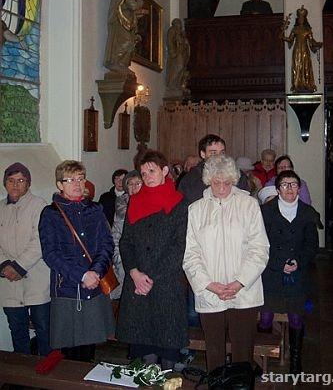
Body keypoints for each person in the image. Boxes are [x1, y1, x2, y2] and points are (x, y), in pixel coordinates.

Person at [183, 155, 269, 372]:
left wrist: (239, 282)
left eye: (226, 183)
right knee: (214, 354)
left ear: (233, 180)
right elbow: (190, 254)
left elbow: (259, 249)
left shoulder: (249, 205)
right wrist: (209, 284)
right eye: (216, 182)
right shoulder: (196, 210)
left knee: (242, 354)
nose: (221, 188)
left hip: (244, 292)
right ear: (208, 181)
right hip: (210, 291)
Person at [117, 150, 189, 370]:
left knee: (168, 350)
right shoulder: (135, 201)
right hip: (137, 284)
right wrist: (134, 272)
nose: (147, 176)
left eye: (152, 170)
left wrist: (150, 278)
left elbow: (179, 246)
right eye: (143, 172)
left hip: (166, 285)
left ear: (164, 171)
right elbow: (125, 242)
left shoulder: (179, 203)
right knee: (143, 349)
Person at [39, 160, 115, 362]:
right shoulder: (51, 213)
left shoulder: (95, 209)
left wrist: (96, 273)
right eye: (71, 179)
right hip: (67, 289)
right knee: (69, 353)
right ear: (59, 184)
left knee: (89, 349)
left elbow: (106, 245)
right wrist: (81, 275)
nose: (77, 183)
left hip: (93, 287)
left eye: (81, 179)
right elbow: (50, 253)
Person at [259, 170, 320, 374]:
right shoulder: (265, 211)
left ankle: (295, 359)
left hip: (298, 274)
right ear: (277, 190)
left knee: (296, 317)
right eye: (285, 185)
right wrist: (279, 262)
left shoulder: (307, 212)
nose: (290, 189)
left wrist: (298, 261)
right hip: (271, 273)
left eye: (294, 184)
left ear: (299, 188)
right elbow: (259, 243)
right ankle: (262, 359)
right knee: (266, 317)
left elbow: (312, 245)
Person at [0, 162, 51, 356]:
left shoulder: (39, 206)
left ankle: (48, 375)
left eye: (20, 180)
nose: (15, 185)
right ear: (5, 183)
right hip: (9, 281)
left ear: (28, 184)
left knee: (44, 330)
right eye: (11, 181)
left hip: (36, 277)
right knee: (17, 330)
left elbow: (40, 240)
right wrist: (5, 266)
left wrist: (19, 267)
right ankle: (22, 376)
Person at [178, 134, 249, 204]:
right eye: (213, 153)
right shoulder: (191, 179)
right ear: (203, 154)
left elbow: (245, 202)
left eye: (222, 152)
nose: (219, 157)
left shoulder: (237, 175)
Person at [103, 0, 146, 74]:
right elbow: (133, 6)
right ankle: (116, 62)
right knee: (127, 41)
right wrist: (139, 3)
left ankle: (122, 64)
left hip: (126, 22)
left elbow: (126, 7)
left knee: (130, 42)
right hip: (121, 22)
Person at [111, 170, 143, 307]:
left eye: (138, 183)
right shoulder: (122, 204)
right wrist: (119, 261)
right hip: (125, 256)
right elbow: (116, 236)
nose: (134, 187)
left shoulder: (151, 203)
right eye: (130, 184)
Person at [281, 5, 322, 93]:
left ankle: (307, 84)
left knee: (306, 67)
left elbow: (312, 41)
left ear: (304, 19)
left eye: (302, 18)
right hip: (296, 50)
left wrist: (317, 44)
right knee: (297, 66)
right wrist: (283, 37)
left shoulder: (307, 30)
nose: (300, 20)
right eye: (299, 18)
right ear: (297, 19)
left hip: (305, 50)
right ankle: (297, 85)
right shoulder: (295, 29)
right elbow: (290, 39)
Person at [166, 18, 190, 92]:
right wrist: (173, 52)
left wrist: (185, 43)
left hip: (182, 52)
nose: (180, 25)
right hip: (177, 52)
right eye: (178, 23)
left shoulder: (182, 33)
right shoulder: (172, 30)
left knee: (182, 69)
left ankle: (177, 84)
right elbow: (170, 42)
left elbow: (185, 43)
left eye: (180, 23)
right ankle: (171, 84)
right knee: (179, 66)